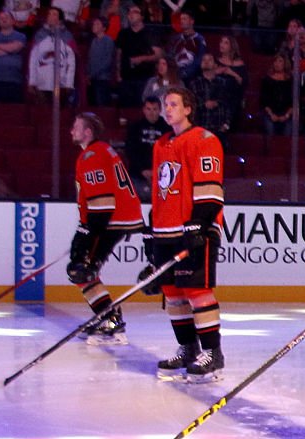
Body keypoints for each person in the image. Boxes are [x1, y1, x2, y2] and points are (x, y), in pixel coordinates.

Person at [149, 87, 227, 383]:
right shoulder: (160, 145)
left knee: (196, 291)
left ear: (188, 108)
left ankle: (213, 354)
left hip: (193, 228)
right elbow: (159, 191)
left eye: (173, 104)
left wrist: (199, 223)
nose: (167, 109)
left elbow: (210, 187)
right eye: (164, 104)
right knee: (172, 293)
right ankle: (188, 349)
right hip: (165, 231)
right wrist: (151, 231)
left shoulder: (205, 140)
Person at [68, 112, 145, 346]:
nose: (72, 131)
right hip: (117, 218)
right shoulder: (100, 151)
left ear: (88, 132)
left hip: (112, 220)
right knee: (84, 269)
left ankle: (111, 321)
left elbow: (102, 204)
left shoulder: (92, 155)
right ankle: (109, 317)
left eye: (76, 126)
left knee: (81, 269)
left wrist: (87, 233)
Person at [125, 95, 171, 201]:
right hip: (138, 174)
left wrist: (156, 171)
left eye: (155, 109)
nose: (151, 112)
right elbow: (130, 151)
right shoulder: (135, 127)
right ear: (144, 110)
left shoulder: (167, 129)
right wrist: (142, 169)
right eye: (148, 109)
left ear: (160, 110)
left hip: (161, 176)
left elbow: (169, 153)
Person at [0, 11, 27, 103]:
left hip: (14, 80)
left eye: (6, 17)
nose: (3, 19)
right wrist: (8, 49)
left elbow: (15, 48)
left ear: (13, 21)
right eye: (1, 18)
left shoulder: (20, 36)